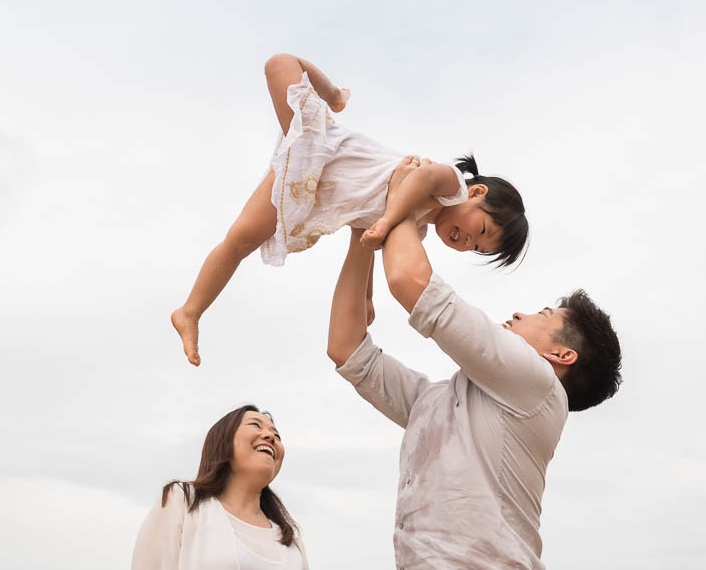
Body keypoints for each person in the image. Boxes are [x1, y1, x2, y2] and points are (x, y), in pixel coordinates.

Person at [326, 156, 623, 570]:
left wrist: (399, 197)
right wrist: (363, 229)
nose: (521, 314)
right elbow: (347, 350)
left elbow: (410, 282)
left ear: (562, 356)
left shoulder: (538, 385)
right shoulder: (446, 402)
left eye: (543, 313)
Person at [173, 53, 529, 365]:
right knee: (279, 64)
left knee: (239, 241)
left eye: (476, 248)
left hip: (307, 192)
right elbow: (416, 182)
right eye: (480, 230)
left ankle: (190, 310)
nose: (467, 240)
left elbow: (366, 237)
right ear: (476, 193)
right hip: (323, 149)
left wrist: (367, 295)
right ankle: (333, 95)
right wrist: (389, 217)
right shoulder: (450, 185)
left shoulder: (414, 230)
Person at [130, 405, 311, 570]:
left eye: (277, 435)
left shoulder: (290, 540)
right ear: (223, 442)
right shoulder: (182, 501)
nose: (270, 436)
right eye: (255, 425)